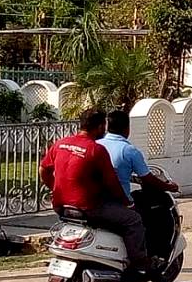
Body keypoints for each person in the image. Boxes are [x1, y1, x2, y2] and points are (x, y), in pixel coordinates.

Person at [39, 109, 148, 272]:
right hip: (89, 207)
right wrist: (127, 203)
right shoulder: (95, 150)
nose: (104, 129)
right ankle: (139, 262)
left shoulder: (60, 143)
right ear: (98, 127)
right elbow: (112, 182)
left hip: (61, 206)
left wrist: (55, 188)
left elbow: (43, 169)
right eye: (103, 126)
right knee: (133, 220)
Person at [99, 110, 179, 204]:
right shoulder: (129, 151)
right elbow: (148, 179)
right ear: (127, 128)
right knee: (136, 218)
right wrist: (170, 187)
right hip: (119, 202)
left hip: (96, 199)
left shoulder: (97, 144)